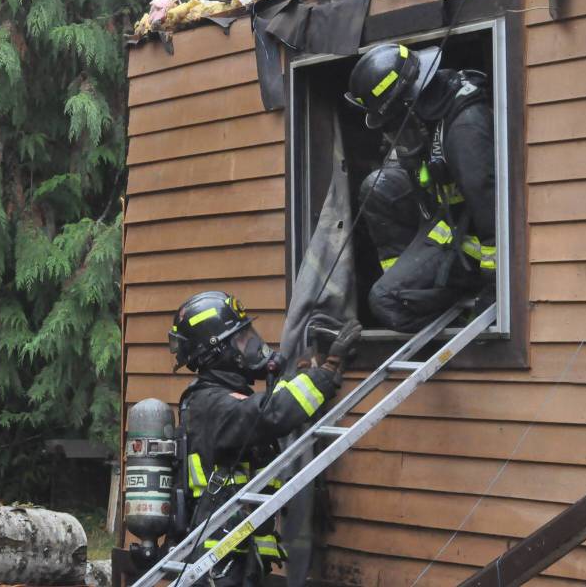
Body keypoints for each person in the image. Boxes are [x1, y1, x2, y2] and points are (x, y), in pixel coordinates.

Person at [168, 290, 361, 585]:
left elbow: (264, 408)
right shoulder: (209, 404)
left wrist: (303, 375)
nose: (254, 345)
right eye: (243, 339)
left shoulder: (225, 398)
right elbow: (268, 415)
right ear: (217, 351)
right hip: (217, 564)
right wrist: (327, 372)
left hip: (238, 557)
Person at [344, 43, 497, 332]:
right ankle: (417, 284)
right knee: (378, 187)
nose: (390, 131)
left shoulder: (465, 129)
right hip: (445, 222)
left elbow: (494, 218)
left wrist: (493, 287)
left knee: (385, 300)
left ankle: (453, 305)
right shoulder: (432, 110)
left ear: (405, 103)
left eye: (390, 122)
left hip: (472, 246)